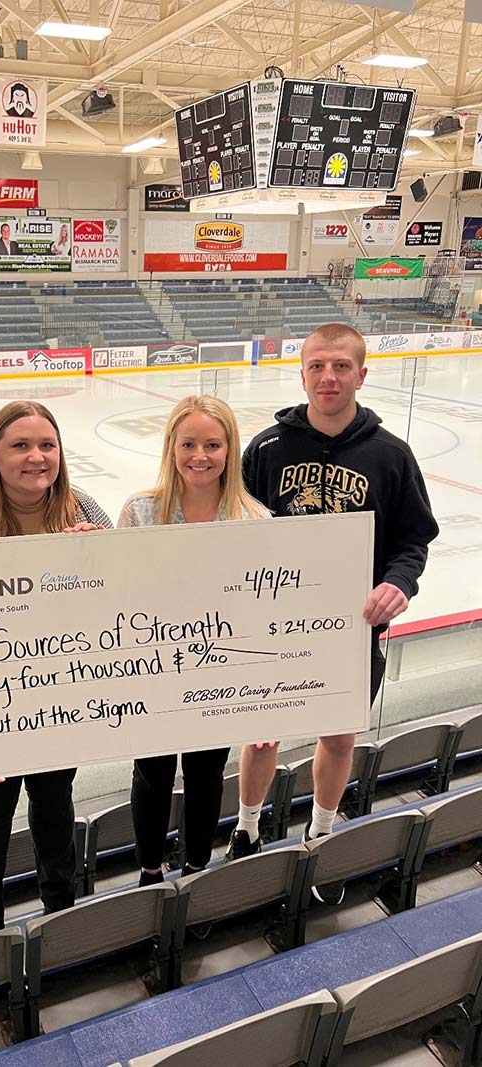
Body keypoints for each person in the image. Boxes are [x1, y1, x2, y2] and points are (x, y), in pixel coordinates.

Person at [226, 323, 439, 905]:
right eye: (318, 365)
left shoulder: (391, 454)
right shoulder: (267, 449)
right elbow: (236, 533)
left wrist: (399, 583)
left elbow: (414, 539)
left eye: (341, 366)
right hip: (272, 626)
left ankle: (321, 833)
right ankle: (246, 830)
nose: (329, 376)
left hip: (351, 629)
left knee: (339, 736)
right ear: (302, 373)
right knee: (262, 735)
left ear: (361, 374)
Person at [0, 401, 112, 933]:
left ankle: (62, 910)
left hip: (62, 694)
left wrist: (101, 559)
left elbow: (119, 607)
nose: (36, 456)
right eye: (21, 446)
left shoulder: (86, 512)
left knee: (55, 803)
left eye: (47, 445)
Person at [118, 396, 269, 890]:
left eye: (212, 444)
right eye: (188, 444)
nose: (199, 455)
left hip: (220, 676)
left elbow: (268, 614)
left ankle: (198, 869)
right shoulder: (140, 512)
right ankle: (150, 872)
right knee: (152, 773)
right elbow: (114, 593)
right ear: (171, 447)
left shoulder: (255, 520)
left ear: (230, 449)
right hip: (154, 674)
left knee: (207, 773)